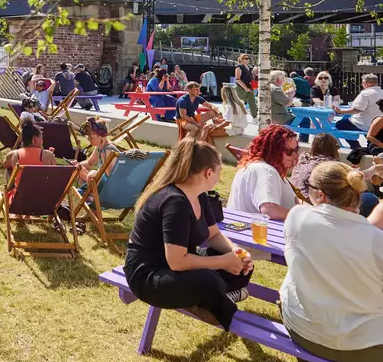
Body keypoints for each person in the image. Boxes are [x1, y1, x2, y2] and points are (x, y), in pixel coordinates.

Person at [124, 139, 254, 331]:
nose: (219, 176)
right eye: (219, 172)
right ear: (208, 173)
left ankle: (210, 297)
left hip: (175, 268)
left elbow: (213, 235)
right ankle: (224, 309)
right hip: (149, 275)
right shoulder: (174, 202)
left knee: (242, 267)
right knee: (207, 281)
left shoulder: (199, 194)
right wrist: (223, 262)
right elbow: (177, 261)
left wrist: (235, 252)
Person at [280, 161, 383, 362]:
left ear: (318, 194)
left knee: (289, 289)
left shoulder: (297, 218)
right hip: (369, 349)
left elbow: (336, 233)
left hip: (305, 335)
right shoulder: (374, 241)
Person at [290, 133, 381, 217]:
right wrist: (374, 169)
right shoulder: (327, 164)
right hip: (316, 205)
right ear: (332, 148)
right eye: (337, 147)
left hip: (297, 200)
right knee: (369, 199)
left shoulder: (303, 159)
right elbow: (352, 178)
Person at [227, 124, 299, 220]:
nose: (295, 155)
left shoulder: (263, 167)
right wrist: (301, 217)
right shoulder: (264, 170)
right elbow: (270, 210)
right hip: (256, 233)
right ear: (274, 150)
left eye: (296, 150)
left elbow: (295, 202)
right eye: (289, 152)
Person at [335, 74, 383, 149]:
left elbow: (357, 110)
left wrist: (341, 111)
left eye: (362, 83)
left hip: (363, 124)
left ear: (366, 83)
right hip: (378, 124)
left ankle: (355, 145)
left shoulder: (365, 94)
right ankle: (368, 144)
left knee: (340, 124)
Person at [76, 117, 120, 186]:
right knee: (78, 170)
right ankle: (88, 194)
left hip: (108, 188)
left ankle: (90, 195)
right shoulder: (100, 147)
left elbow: (110, 178)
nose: (88, 139)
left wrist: (90, 174)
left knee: (91, 174)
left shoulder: (107, 151)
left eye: (91, 137)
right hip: (105, 184)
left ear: (100, 136)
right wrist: (75, 166)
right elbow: (89, 163)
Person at [234, 53, 257, 120]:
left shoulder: (249, 68)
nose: (248, 60)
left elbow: (251, 78)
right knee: (250, 101)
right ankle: (254, 117)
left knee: (252, 102)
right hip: (240, 88)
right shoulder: (239, 67)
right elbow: (238, 79)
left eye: (248, 58)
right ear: (241, 59)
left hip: (248, 88)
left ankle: (254, 116)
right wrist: (245, 88)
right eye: (246, 58)